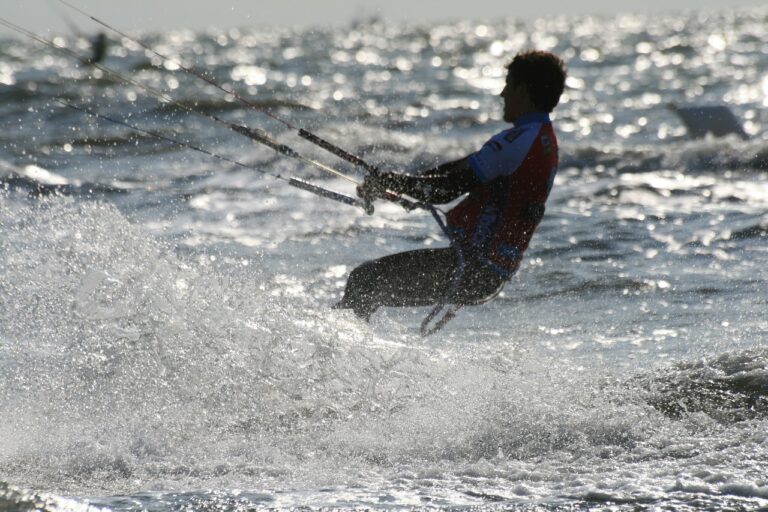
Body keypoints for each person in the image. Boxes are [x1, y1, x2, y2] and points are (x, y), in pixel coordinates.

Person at [335, 50, 567, 322]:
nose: (503, 93)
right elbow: (454, 171)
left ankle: (331, 356)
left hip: (473, 268)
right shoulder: (540, 139)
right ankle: (346, 354)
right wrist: (398, 185)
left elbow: (446, 189)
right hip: (486, 269)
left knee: (365, 281)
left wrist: (391, 182)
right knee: (367, 286)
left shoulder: (519, 142)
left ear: (524, 90)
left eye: (509, 84)